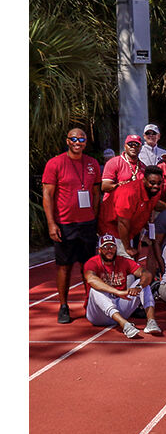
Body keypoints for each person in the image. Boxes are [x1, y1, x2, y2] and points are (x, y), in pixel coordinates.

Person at [42, 127, 102, 323]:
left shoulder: (92, 163)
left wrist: (95, 218)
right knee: (64, 267)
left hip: (87, 224)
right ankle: (63, 306)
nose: (78, 142)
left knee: (89, 266)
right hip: (65, 224)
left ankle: (91, 303)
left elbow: (96, 194)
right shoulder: (55, 163)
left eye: (81, 139)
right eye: (74, 139)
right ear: (67, 141)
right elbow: (47, 195)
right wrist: (51, 224)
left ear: (86, 142)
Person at [83, 234, 160, 337]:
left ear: (116, 248)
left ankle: (151, 322)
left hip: (120, 307)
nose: (109, 250)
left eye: (112, 246)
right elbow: (91, 279)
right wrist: (118, 292)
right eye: (105, 247)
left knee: (143, 284)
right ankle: (125, 325)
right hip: (98, 315)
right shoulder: (92, 262)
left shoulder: (123, 261)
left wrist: (139, 287)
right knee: (94, 290)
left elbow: (146, 274)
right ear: (100, 250)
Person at [97, 165, 164, 261]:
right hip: (112, 228)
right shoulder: (129, 193)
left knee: (134, 259)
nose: (156, 186)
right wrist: (127, 248)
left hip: (132, 230)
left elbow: (154, 203)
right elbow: (122, 222)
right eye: (152, 183)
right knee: (126, 263)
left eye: (159, 183)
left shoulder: (154, 191)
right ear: (144, 180)